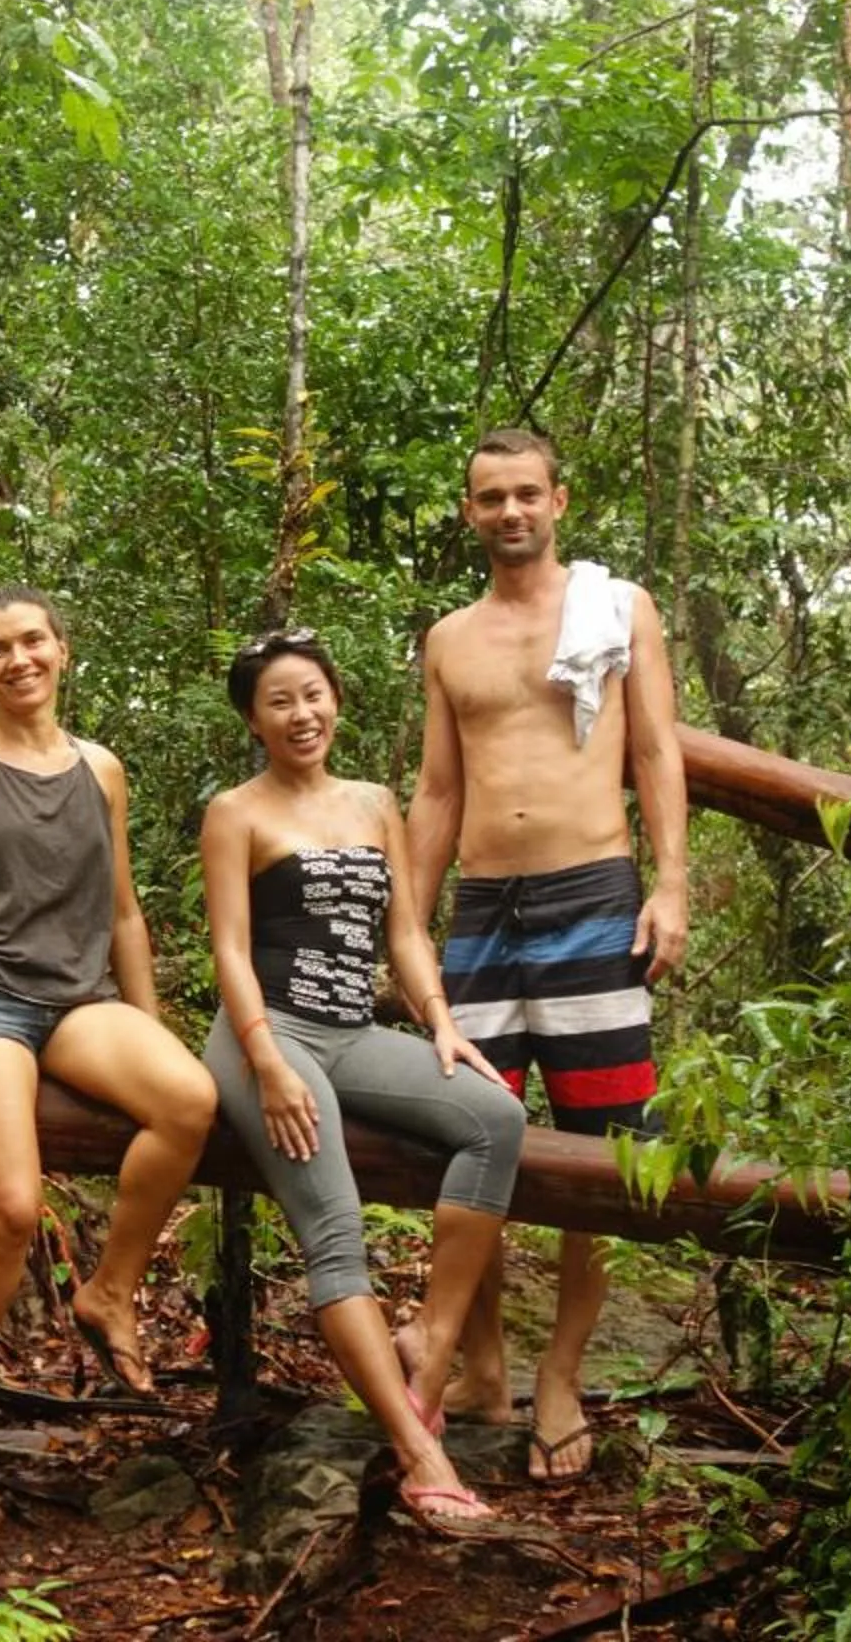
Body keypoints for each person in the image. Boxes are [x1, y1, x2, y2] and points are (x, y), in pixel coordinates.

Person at [0, 586, 218, 1512]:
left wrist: (149, 1025)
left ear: (63, 649)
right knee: (12, 1204)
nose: (18, 660)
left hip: (76, 998)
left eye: (33, 641)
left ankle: (109, 1291)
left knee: (189, 1100)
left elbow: (123, 911)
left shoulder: (102, 769)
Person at [399, 428, 689, 1483]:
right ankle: (483, 1368)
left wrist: (670, 882)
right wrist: (410, 928)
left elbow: (655, 747)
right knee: (468, 1134)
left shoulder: (619, 609)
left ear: (559, 500)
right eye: (491, 497)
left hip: (592, 898)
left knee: (602, 1150)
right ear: (469, 511)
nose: (510, 511)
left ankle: (561, 1375)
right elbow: (438, 790)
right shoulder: (449, 639)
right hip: (483, 911)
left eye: (527, 493)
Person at [200, 627, 526, 1539]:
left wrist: (441, 1022)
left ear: (336, 700)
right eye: (279, 703)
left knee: (496, 1119)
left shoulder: (376, 802)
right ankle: (421, 1455)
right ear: (254, 721)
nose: (301, 715)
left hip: (352, 1031)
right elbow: (229, 948)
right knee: (336, 1230)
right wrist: (267, 1062)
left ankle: (430, 1346)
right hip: (266, 1034)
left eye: (313, 695)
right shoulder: (236, 812)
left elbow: (406, 932)